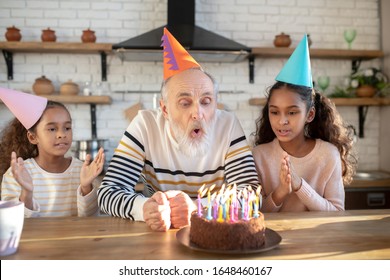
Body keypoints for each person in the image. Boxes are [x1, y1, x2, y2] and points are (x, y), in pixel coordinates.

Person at [98, 28, 260, 231]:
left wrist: (195, 208)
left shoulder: (227, 124)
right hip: (158, 232)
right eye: (185, 103)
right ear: (164, 108)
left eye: (206, 101)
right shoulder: (145, 125)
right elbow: (108, 192)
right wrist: (144, 208)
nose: (198, 113)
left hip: (214, 231)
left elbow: (251, 195)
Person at [252, 35, 357, 212]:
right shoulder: (259, 156)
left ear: (310, 114)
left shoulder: (328, 154)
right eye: (274, 112)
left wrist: (300, 185)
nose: (282, 120)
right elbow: (255, 215)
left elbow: (337, 213)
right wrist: (281, 192)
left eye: (292, 112)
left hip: (317, 239)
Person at [0, 88, 105, 217]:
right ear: (33, 137)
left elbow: (91, 222)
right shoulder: (16, 174)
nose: (62, 134)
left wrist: (86, 187)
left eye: (67, 128)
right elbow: (12, 223)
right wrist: (26, 193)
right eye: (52, 129)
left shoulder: (83, 171)